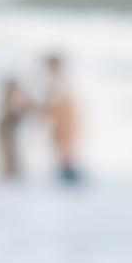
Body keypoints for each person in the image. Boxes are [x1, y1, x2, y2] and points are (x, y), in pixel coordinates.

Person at [39, 53, 82, 185]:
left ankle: (70, 177)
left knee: (65, 150)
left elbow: (59, 102)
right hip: (59, 121)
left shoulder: (60, 81)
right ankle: (68, 175)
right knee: (60, 150)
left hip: (64, 120)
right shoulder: (55, 80)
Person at [0, 77, 32, 181]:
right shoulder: (9, 102)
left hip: (13, 132)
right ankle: (9, 175)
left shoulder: (21, 103)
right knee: (8, 155)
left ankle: (11, 174)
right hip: (7, 131)